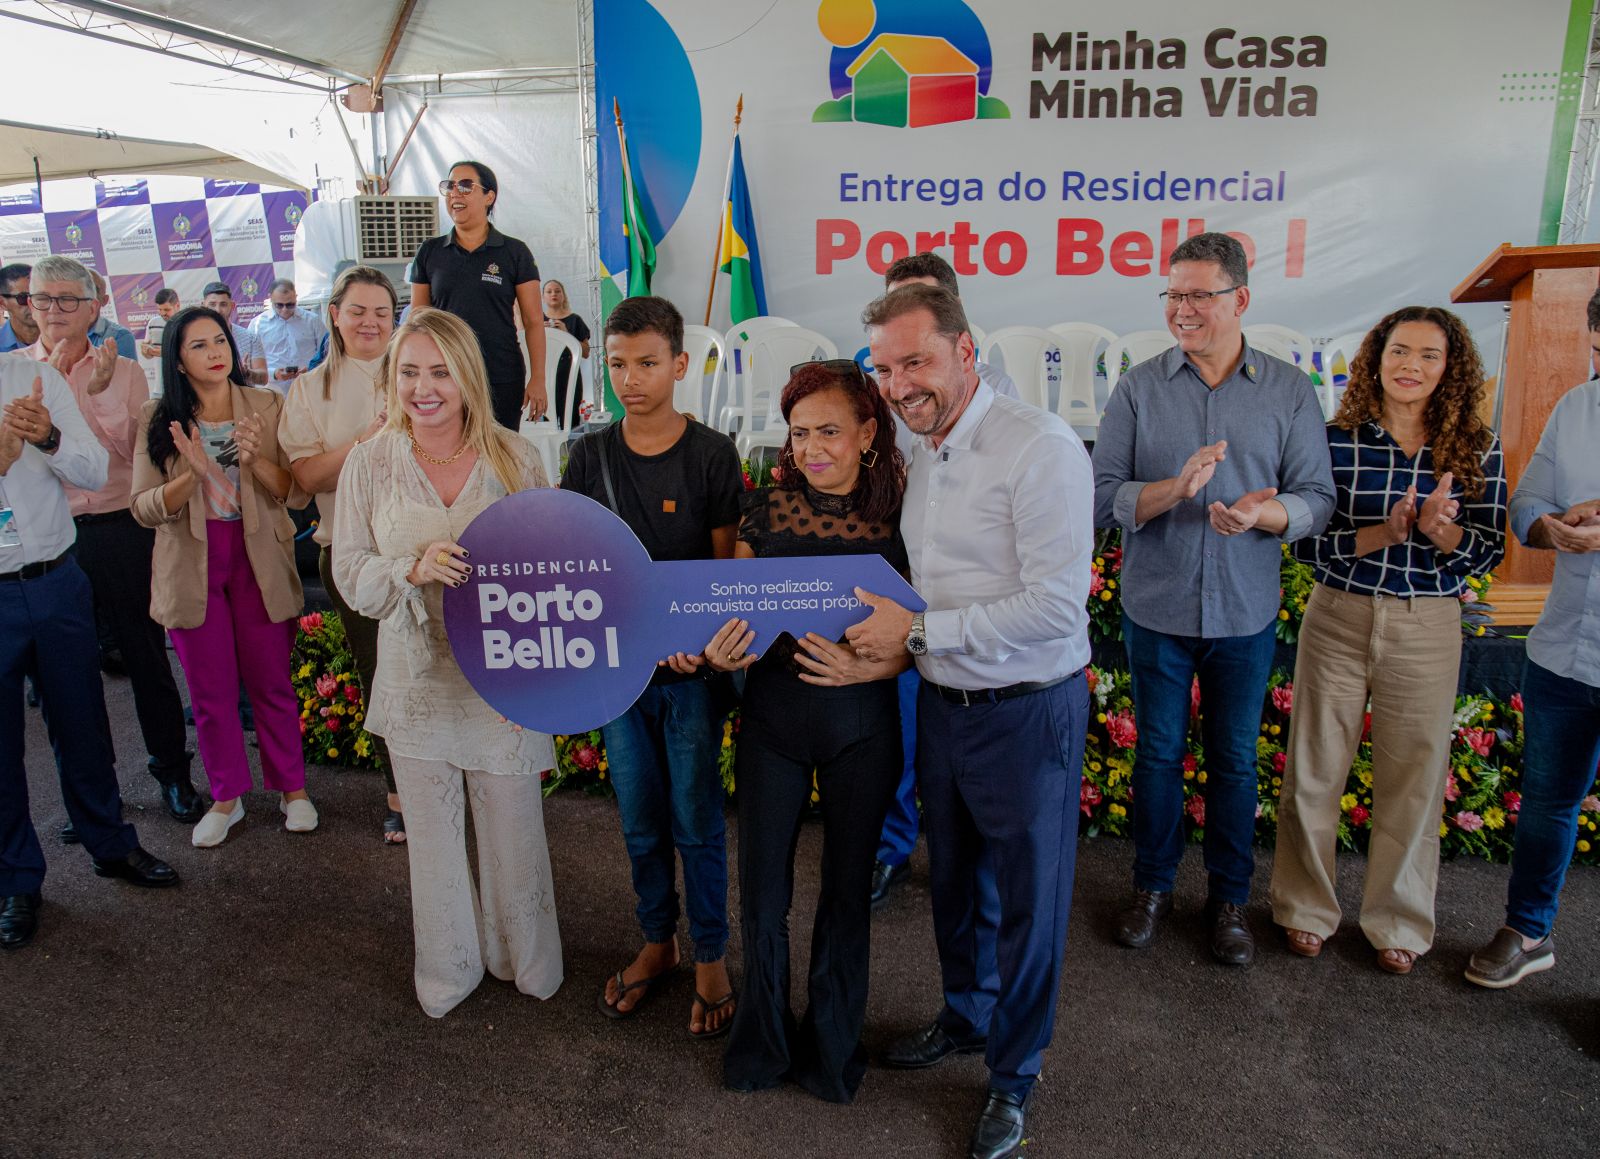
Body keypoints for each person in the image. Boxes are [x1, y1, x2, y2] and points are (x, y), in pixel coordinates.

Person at [849, 283, 1093, 1159]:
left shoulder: (1041, 448)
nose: (899, 382)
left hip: (1029, 710)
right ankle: (966, 1015)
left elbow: (1057, 608)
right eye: (884, 367)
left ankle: (1014, 1075)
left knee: (1031, 900)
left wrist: (913, 632)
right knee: (955, 883)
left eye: (915, 360)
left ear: (965, 350)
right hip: (945, 705)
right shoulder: (923, 444)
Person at [1091, 232, 1334, 968]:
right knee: (1158, 756)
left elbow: (1317, 498)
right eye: (1173, 294)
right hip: (1157, 608)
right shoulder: (1138, 386)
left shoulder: (1289, 390)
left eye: (1200, 294)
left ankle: (1230, 899)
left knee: (1232, 760)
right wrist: (1176, 489)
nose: (1183, 309)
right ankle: (1153, 888)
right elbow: (1102, 496)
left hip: (1244, 610)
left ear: (1241, 300)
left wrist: (1262, 515)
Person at [333, 306, 562, 1017]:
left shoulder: (517, 457)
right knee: (429, 834)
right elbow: (349, 572)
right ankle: (448, 968)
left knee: (514, 824)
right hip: (416, 676)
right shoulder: (369, 463)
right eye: (408, 372)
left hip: (502, 677)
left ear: (467, 375)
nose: (423, 387)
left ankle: (523, 958)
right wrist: (411, 566)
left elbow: (554, 567)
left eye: (439, 371)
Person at [1270, 306, 1505, 974]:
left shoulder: (1477, 446)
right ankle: (1304, 908)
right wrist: (1388, 531)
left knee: (1413, 777)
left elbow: (1485, 552)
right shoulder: (1335, 439)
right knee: (1313, 766)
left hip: (1427, 622)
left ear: (1450, 368)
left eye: (1429, 356)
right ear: (1376, 359)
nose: (1411, 366)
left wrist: (1440, 531)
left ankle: (1397, 920)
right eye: (1399, 351)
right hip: (1339, 613)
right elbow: (1309, 545)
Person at [707, 360, 908, 1102]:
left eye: (829, 430)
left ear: (867, 432)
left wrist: (878, 668)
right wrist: (722, 649)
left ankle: (831, 1049)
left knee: (846, 894)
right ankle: (760, 1043)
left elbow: (922, 635)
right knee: (762, 894)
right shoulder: (766, 512)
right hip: (773, 724)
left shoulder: (902, 515)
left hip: (864, 726)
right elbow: (733, 611)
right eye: (799, 434)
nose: (813, 447)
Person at [562, 295, 741, 1038]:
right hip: (618, 677)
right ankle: (657, 940)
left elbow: (727, 568)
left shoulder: (712, 455)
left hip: (692, 680)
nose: (629, 378)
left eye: (645, 363)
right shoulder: (589, 456)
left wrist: (697, 639)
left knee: (697, 821)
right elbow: (573, 565)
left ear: (678, 364)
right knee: (639, 823)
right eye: (616, 364)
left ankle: (710, 953)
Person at [1, 354, 180, 951]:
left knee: (82, 721)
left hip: (56, 580)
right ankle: (16, 879)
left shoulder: (32, 377)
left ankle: (109, 842)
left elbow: (93, 467)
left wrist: (47, 436)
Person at [23, 255, 203, 826]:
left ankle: (172, 772)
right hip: (52, 541)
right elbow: (24, 467)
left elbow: (132, 458)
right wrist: (50, 386)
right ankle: (93, 802)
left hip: (120, 530)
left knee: (147, 657)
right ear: (28, 306)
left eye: (67, 300)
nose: (54, 311)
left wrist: (95, 394)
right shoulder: (11, 372)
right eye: (42, 300)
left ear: (94, 307)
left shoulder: (125, 372)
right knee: (69, 677)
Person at [871, 252, 1021, 910]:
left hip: (964, 589)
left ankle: (972, 870)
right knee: (901, 729)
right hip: (897, 571)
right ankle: (894, 848)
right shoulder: (877, 379)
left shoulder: (999, 390)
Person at [130, 307, 313, 848]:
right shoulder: (157, 416)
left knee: (271, 684)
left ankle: (293, 790)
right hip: (192, 563)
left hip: (258, 557)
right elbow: (142, 506)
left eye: (220, 341)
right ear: (178, 361)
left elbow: (292, 493)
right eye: (198, 346)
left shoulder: (265, 404)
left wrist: (255, 462)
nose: (215, 352)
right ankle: (227, 796)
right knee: (210, 692)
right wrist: (191, 476)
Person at [1465, 289, 1600, 989]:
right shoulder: (1578, 405)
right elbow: (1527, 504)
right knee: (1550, 799)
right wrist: (1556, 529)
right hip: (1566, 646)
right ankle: (1529, 927)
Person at [279, 266, 403, 844]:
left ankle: (449, 783)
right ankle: (400, 795)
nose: (371, 322)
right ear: (334, 313)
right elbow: (302, 476)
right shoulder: (308, 391)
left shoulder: (420, 370)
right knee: (381, 676)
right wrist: (366, 441)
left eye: (382, 311)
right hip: (350, 554)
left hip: (428, 549)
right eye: (358, 310)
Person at [409, 160, 547, 430]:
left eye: (465, 186)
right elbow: (418, 320)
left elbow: (533, 322)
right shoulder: (430, 252)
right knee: (451, 453)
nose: (455, 193)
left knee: (500, 455)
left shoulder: (514, 252)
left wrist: (538, 379)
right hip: (446, 374)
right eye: (449, 186)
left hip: (501, 373)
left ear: (489, 196)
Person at [251, 279, 327, 391]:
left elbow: (328, 352)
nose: (285, 309)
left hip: (309, 387)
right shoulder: (257, 324)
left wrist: (311, 368)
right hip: (274, 391)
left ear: (296, 297)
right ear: (270, 298)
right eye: (279, 305)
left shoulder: (312, 320)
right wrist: (274, 374)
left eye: (290, 305)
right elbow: (252, 363)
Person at [542, 279, 590, 429]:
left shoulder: (575, 320)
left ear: (563, 295)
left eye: (557, 291)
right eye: (549, 292)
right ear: (543, 297)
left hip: (570, 376)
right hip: (545, 376)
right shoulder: (537, 321)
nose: (553, 294)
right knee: (544, 418)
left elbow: (586, 353)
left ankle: (569, 451)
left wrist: (566, 334)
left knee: (570, 418)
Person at [201, 282, 268, 386]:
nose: (218, 310)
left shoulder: (250, 337)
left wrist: (248, 373)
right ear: (203, 305)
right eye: (212, 304)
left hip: (243, 399)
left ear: (232, 306)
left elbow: (263, 378)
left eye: (223, 304)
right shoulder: (195, 339)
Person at [85, 272, 136, 360]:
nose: (86, 296)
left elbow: (125, 373)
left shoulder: (119, 337)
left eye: (93, 290)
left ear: (104, 300)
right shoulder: (59, 332)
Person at [0, 264, 40, 353]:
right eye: (23, 298)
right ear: (2, 303)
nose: (33, 304)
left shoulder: (67, 337)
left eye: (40, 296)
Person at [140, 289, 180, 361]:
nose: (162, 313)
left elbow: (189, 353)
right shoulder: (153, 323)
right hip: (160, 371)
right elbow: (147, 355)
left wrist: (163, 352)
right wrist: (146, 350)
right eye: (159, 309)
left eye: (167, 310)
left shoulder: (187, 324)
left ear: (177, 306)